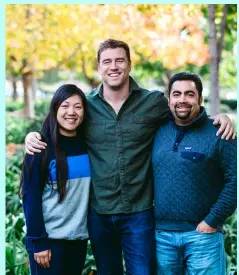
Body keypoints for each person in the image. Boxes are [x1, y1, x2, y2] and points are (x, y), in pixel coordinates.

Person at [25, 39, 235, 275]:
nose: (113, 66)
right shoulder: (86, 105)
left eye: (119, 60)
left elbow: (184, 111)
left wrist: (220, 118)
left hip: (139, 212)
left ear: (129, 65)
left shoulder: (153, 102)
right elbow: (62, 124)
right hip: (99, 213)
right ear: (99, 67)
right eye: (107, 61)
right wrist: (32, 136)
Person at [152, 72, 237, 275]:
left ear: (200, 99)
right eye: (177, 94)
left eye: (189, 94)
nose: (182, 100)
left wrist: (212, 221)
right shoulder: (156, 130)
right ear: (169, 99)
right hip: (162, 237)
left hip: (202, 237)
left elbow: (235, 180)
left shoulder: (219, 133)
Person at [20, 84, 91, 275]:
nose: (71, 112)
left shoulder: (88, 145)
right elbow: (30, 197)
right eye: (65, 106)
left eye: (78, 106)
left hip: (78, 240)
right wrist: (39, 241)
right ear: (55, 109)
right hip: (48, 242)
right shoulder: (40, 148)